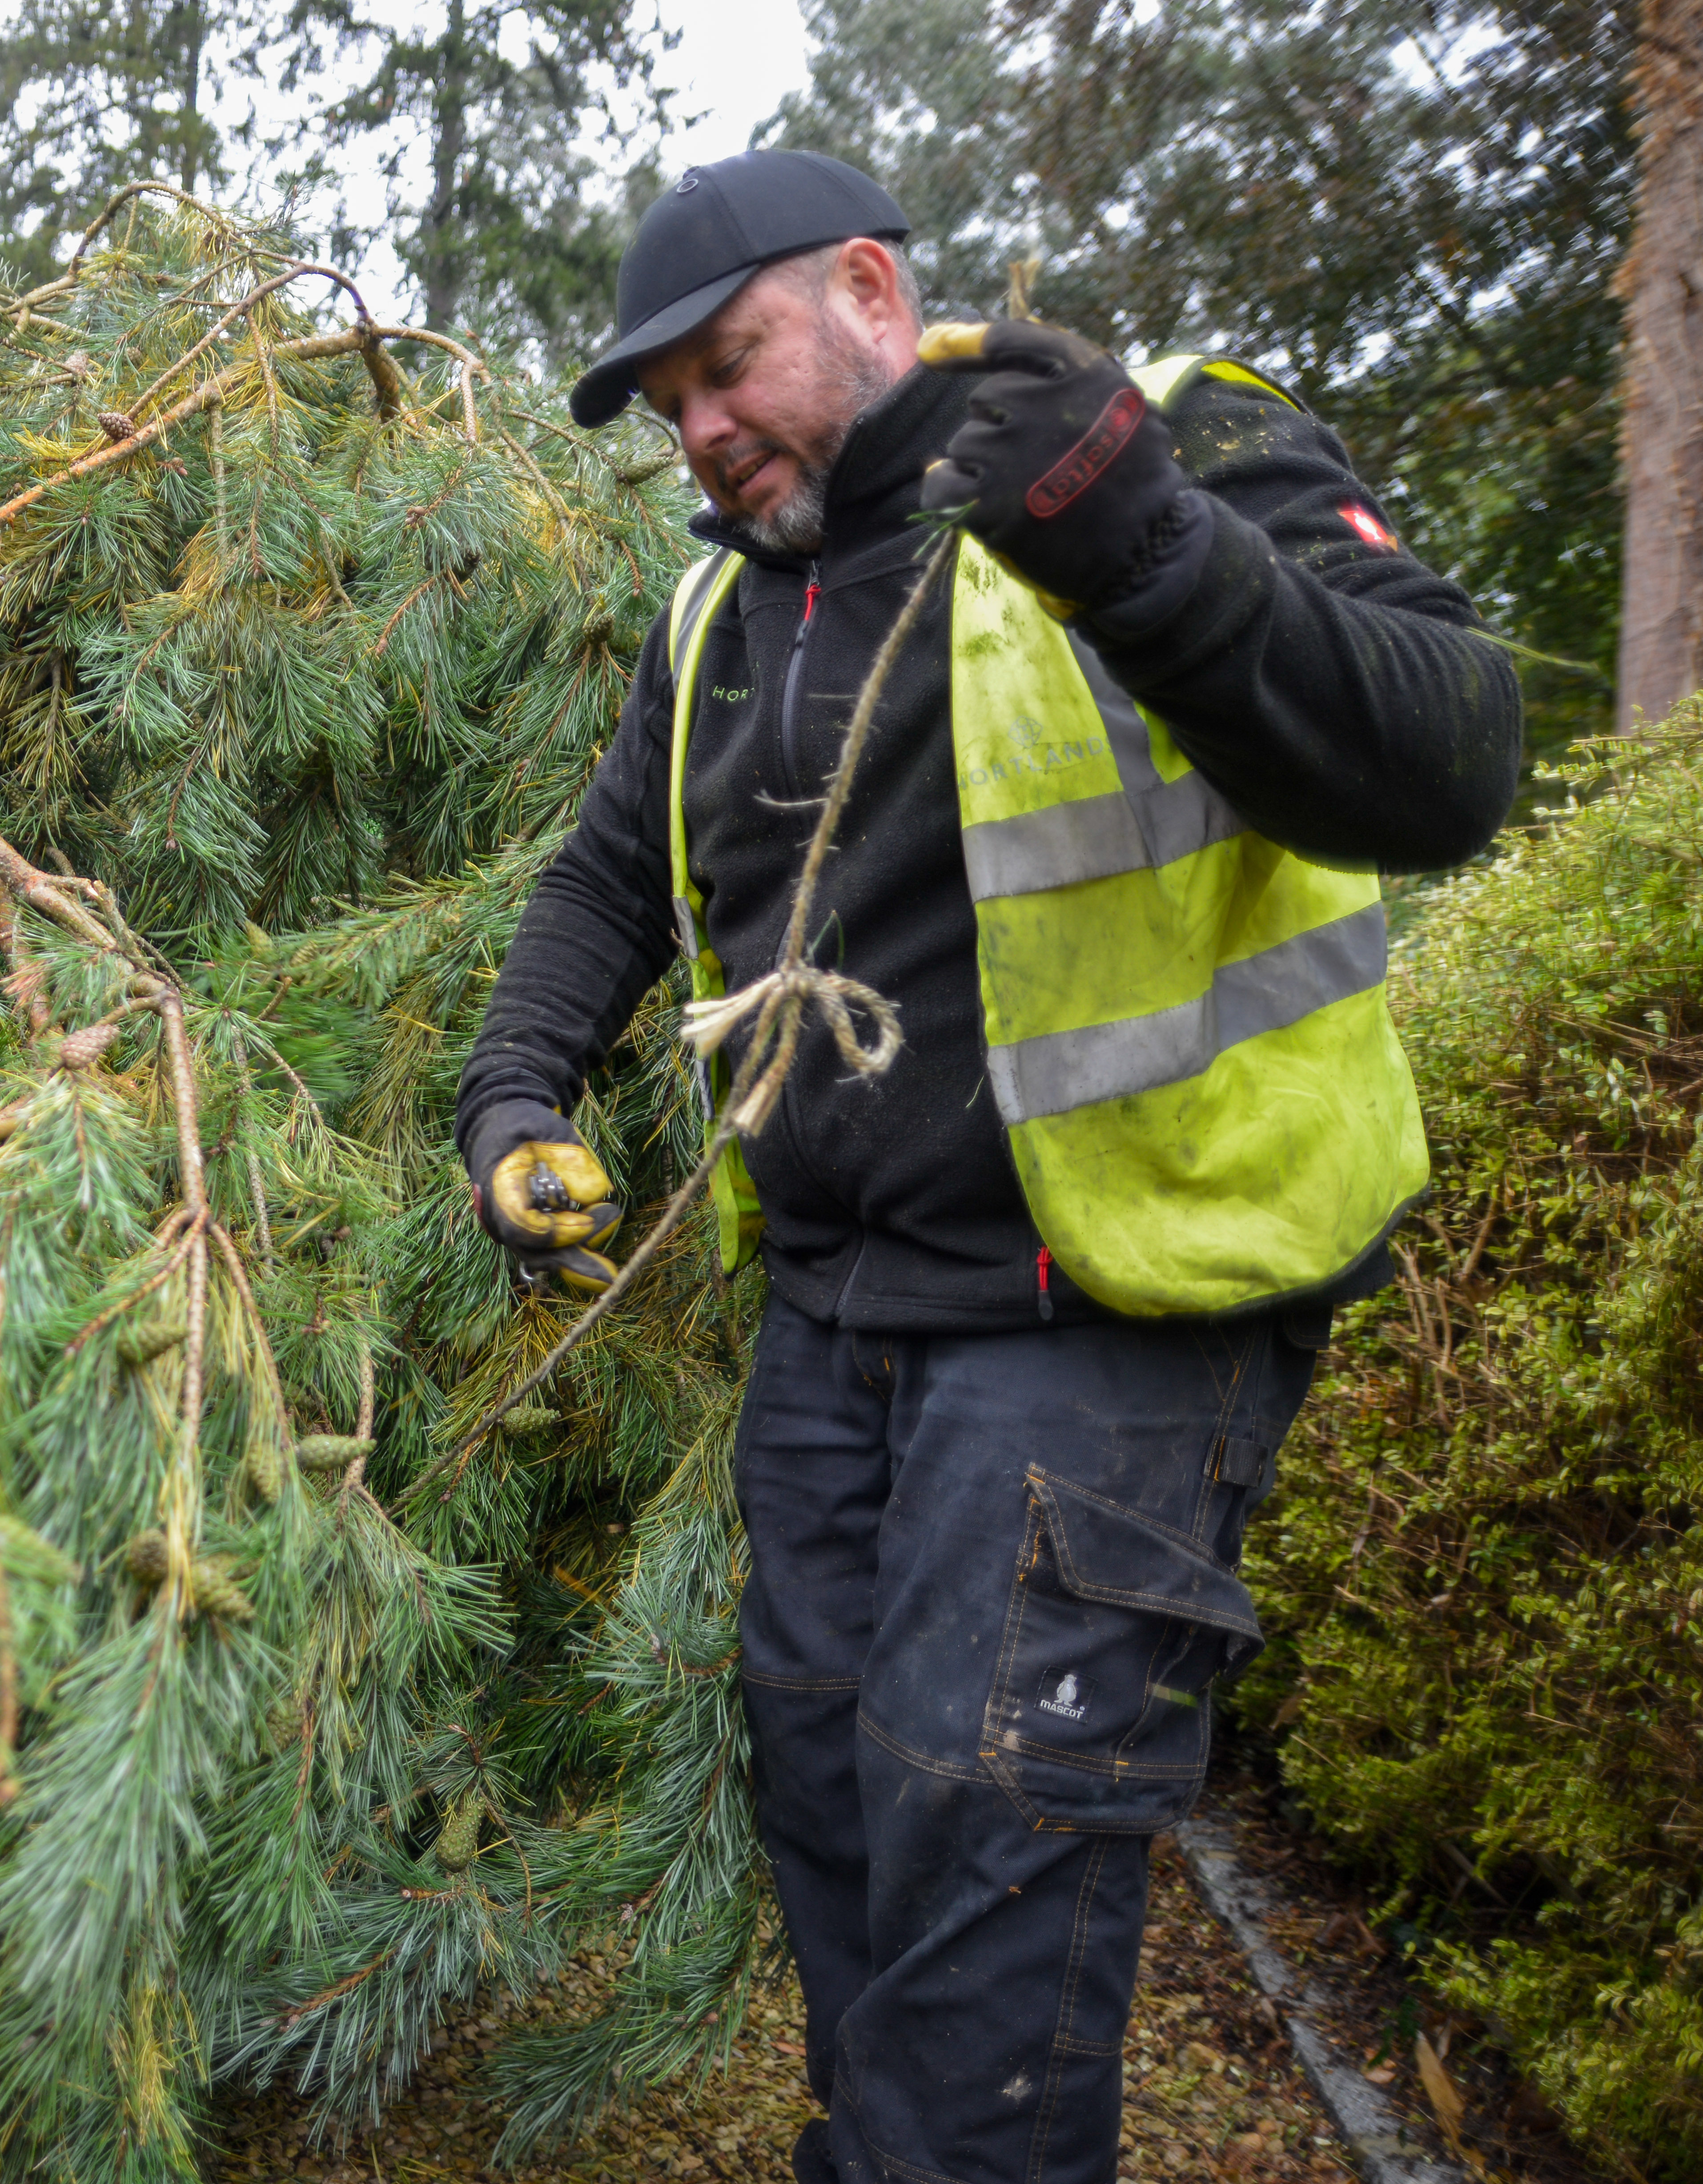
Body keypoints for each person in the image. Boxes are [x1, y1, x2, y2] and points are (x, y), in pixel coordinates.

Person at [455, 149, 1519, 2184]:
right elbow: (605, 882)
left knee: (987, 1827)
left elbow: (1450, 757)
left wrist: (1131, 533)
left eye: (723, 365)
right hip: (837, 1321)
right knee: (839, 1804)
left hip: (1110, 1315)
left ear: (869, 285)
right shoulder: (719, 606)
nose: (697, 429)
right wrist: (516, 1100)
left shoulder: (1168, 446)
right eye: (664, 402)